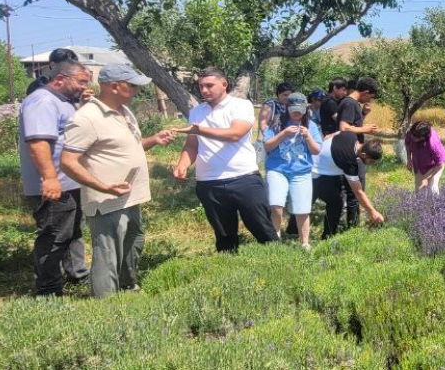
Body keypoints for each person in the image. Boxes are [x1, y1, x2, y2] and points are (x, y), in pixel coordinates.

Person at [59, 64, 175, 298]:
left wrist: (154, 139)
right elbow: (68, 162)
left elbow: (128, 147)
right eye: (131, 86)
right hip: (107, 200)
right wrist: (103, 186)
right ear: (114, 86)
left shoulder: (124, 111)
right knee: (108, 254)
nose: (135, 91)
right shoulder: (87, 118)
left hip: (131, 196)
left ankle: (127, 288)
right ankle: (106, 307)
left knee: (133, 244)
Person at [173, 67, 278, 252]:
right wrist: (182, 164)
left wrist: (199, 130)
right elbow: (192, 145)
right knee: (224, 238)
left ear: (224, 84)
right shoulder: (197, 112)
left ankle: (282, 267)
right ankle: (229, 273)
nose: (204, 90)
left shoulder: (241, 105)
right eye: (201, 86)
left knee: (263, 230)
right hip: (208, 183)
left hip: (243, 179)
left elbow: (235, 134)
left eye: (209, 85)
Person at [18, 59, 91, 296]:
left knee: (73, 232)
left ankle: (77, 275)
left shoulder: (65, 102)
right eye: (81, 82)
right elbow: (38, 141)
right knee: (54, 236)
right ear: (60, 79)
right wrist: (50, 178)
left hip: (70, 181)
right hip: (52, 184)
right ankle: (48, 289)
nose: (84, 86)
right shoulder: (42, 101)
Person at [263, 93, 322, 249]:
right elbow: (267, 146)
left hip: (301, 172)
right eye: (293, 109)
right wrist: (284, 134)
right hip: (277, 170)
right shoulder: (276, 123)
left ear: (305, 109)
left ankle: (305, 243)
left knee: (302, 209)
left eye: (300, 109)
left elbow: (316, 150)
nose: (297, 113)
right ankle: (275, 238)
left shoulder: (312, 126)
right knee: (276, 204)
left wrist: (308, 136)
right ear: (287, 108)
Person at [316, 130, 385, 238]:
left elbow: (329, 135)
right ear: (363, 154)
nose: (371, 165)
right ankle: (327, 237)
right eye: (371, 162)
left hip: (317, 162)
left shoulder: (350, 135)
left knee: (332, 199)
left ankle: (294, 230)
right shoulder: (350, 162)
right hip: (315, 172)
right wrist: (372, 212)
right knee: (336, 203)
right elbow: (358, 192)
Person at [404, 120, 445, 196]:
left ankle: (436, 206)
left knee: (431, 188)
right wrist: (409, 160)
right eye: (412, 135)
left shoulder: (433, 144)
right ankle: (420, 207)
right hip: (418, 163)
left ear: (423, 137)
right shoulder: (411, 132)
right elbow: (408, 145)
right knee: (419, 189)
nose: (412, 137)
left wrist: (427, 179)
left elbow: (440, 164)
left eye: (415, 137)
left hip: (434, 165)